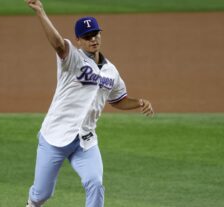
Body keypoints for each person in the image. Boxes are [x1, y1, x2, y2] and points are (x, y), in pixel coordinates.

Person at [25, 0, 154, 206]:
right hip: (55, 135)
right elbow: (58, 43)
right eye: (87, 36)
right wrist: (41, 12)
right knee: (42, 194)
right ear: (78, 40)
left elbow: (118, 100)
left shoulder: (111, 71)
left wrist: (139, 102)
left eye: (96, 34)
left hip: (85, 140)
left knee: (95, 182)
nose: (93, 39)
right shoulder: (72, 59)